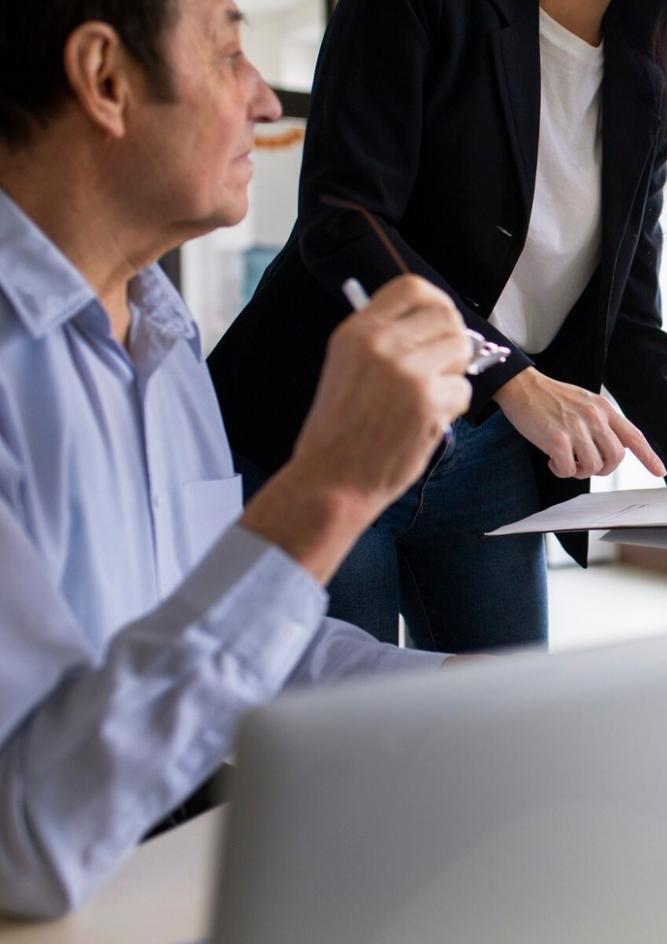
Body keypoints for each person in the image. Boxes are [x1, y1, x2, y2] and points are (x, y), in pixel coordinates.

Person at [0, 0, 484, 918]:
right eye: (228, 55)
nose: (266, 102)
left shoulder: (164, 341)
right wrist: (331, 488)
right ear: (106, 80)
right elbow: (29, 838)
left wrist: (475, 698)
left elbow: (254, 643)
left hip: (160, 845)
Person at [207, 0, 667, 654]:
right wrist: (509, 373)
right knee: (347, 736)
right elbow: (344, 221)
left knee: (502, 725)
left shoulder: (645, 89)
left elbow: (623, 312)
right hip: (328, 423)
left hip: (488, 456)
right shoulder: (422, 13)